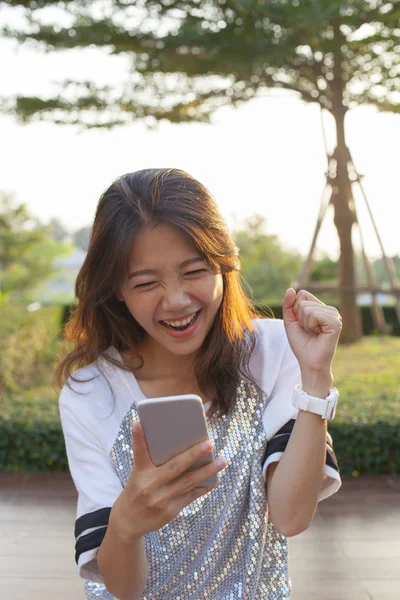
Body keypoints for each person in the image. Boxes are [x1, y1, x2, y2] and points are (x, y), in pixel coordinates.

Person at [57, 168, 342, 600]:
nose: (176, 300)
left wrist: (316, 377)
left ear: (224, 263)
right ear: (116, 288)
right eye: (146, 282)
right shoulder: (90, 390)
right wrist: (128, 523)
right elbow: (123, 589)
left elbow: (290, 517)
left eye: (194, 271)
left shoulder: (273, 351)